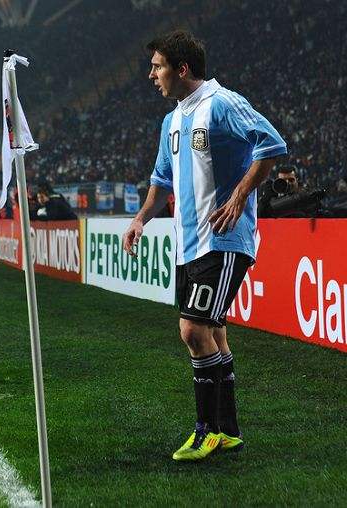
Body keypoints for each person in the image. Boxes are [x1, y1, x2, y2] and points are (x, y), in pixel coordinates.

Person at [122, 30, 287, 461]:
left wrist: (239, 197)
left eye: (158, 66)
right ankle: (228, 431)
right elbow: (161, 182)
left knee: (193, 331)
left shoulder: (222, 103)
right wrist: (140, 219)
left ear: (182, 69)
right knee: (213, 333)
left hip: (224, 238)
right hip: (188, 245)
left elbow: (271, 144)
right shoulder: (171, 121)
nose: (151, 75)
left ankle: (206, 431)